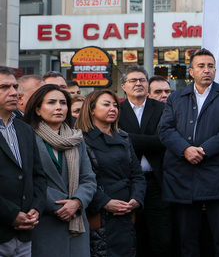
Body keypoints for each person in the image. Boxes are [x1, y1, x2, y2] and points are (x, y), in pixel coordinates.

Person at [158, 48, 219, 257]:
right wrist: (185, 149)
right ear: (191, 71)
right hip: (183, 176)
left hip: (217, 175)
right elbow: (165, 129)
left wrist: (202, 151)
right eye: (201, 66)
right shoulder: (176, 97)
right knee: (187, 239)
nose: (207, 70)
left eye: (211, 66)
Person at [24, 84, 97, 257]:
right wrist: (61, 204)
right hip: (45, 221)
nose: (59, 107)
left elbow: (89, 178)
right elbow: (28, 179)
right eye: (51, 102)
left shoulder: (76, 139)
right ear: (38, 109)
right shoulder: (27, 137)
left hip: (76, 222)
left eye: (63, 103)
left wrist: (77, 201)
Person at [78, 89, 145, 257]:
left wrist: (136, 199)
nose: (113, 109)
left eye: (115, 105)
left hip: (126, 210)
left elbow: (137, 174)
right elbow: (80, 179)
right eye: (106, 104)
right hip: (99, 212)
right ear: (91, 109)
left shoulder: (123, 137)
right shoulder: (80, 139)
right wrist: (105, 202)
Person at [119, 65, 170, 257]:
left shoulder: (163, 108)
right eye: (133, 80)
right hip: (128, 182)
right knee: (134, 236)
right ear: (124, 86)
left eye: (142, 80)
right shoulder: (116, 109)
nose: (138, 84)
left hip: (158, 182)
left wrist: (128, 138)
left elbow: (164, 140)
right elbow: (115, 140)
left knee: (161, 238)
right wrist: (151, 141)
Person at [0, 66, 47, 257]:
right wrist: (12, 215)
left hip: (24, 234)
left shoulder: (25, 129)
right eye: (4, 87)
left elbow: (38, 176)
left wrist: (36, 208)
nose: (14, 92)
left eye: (15, 86)